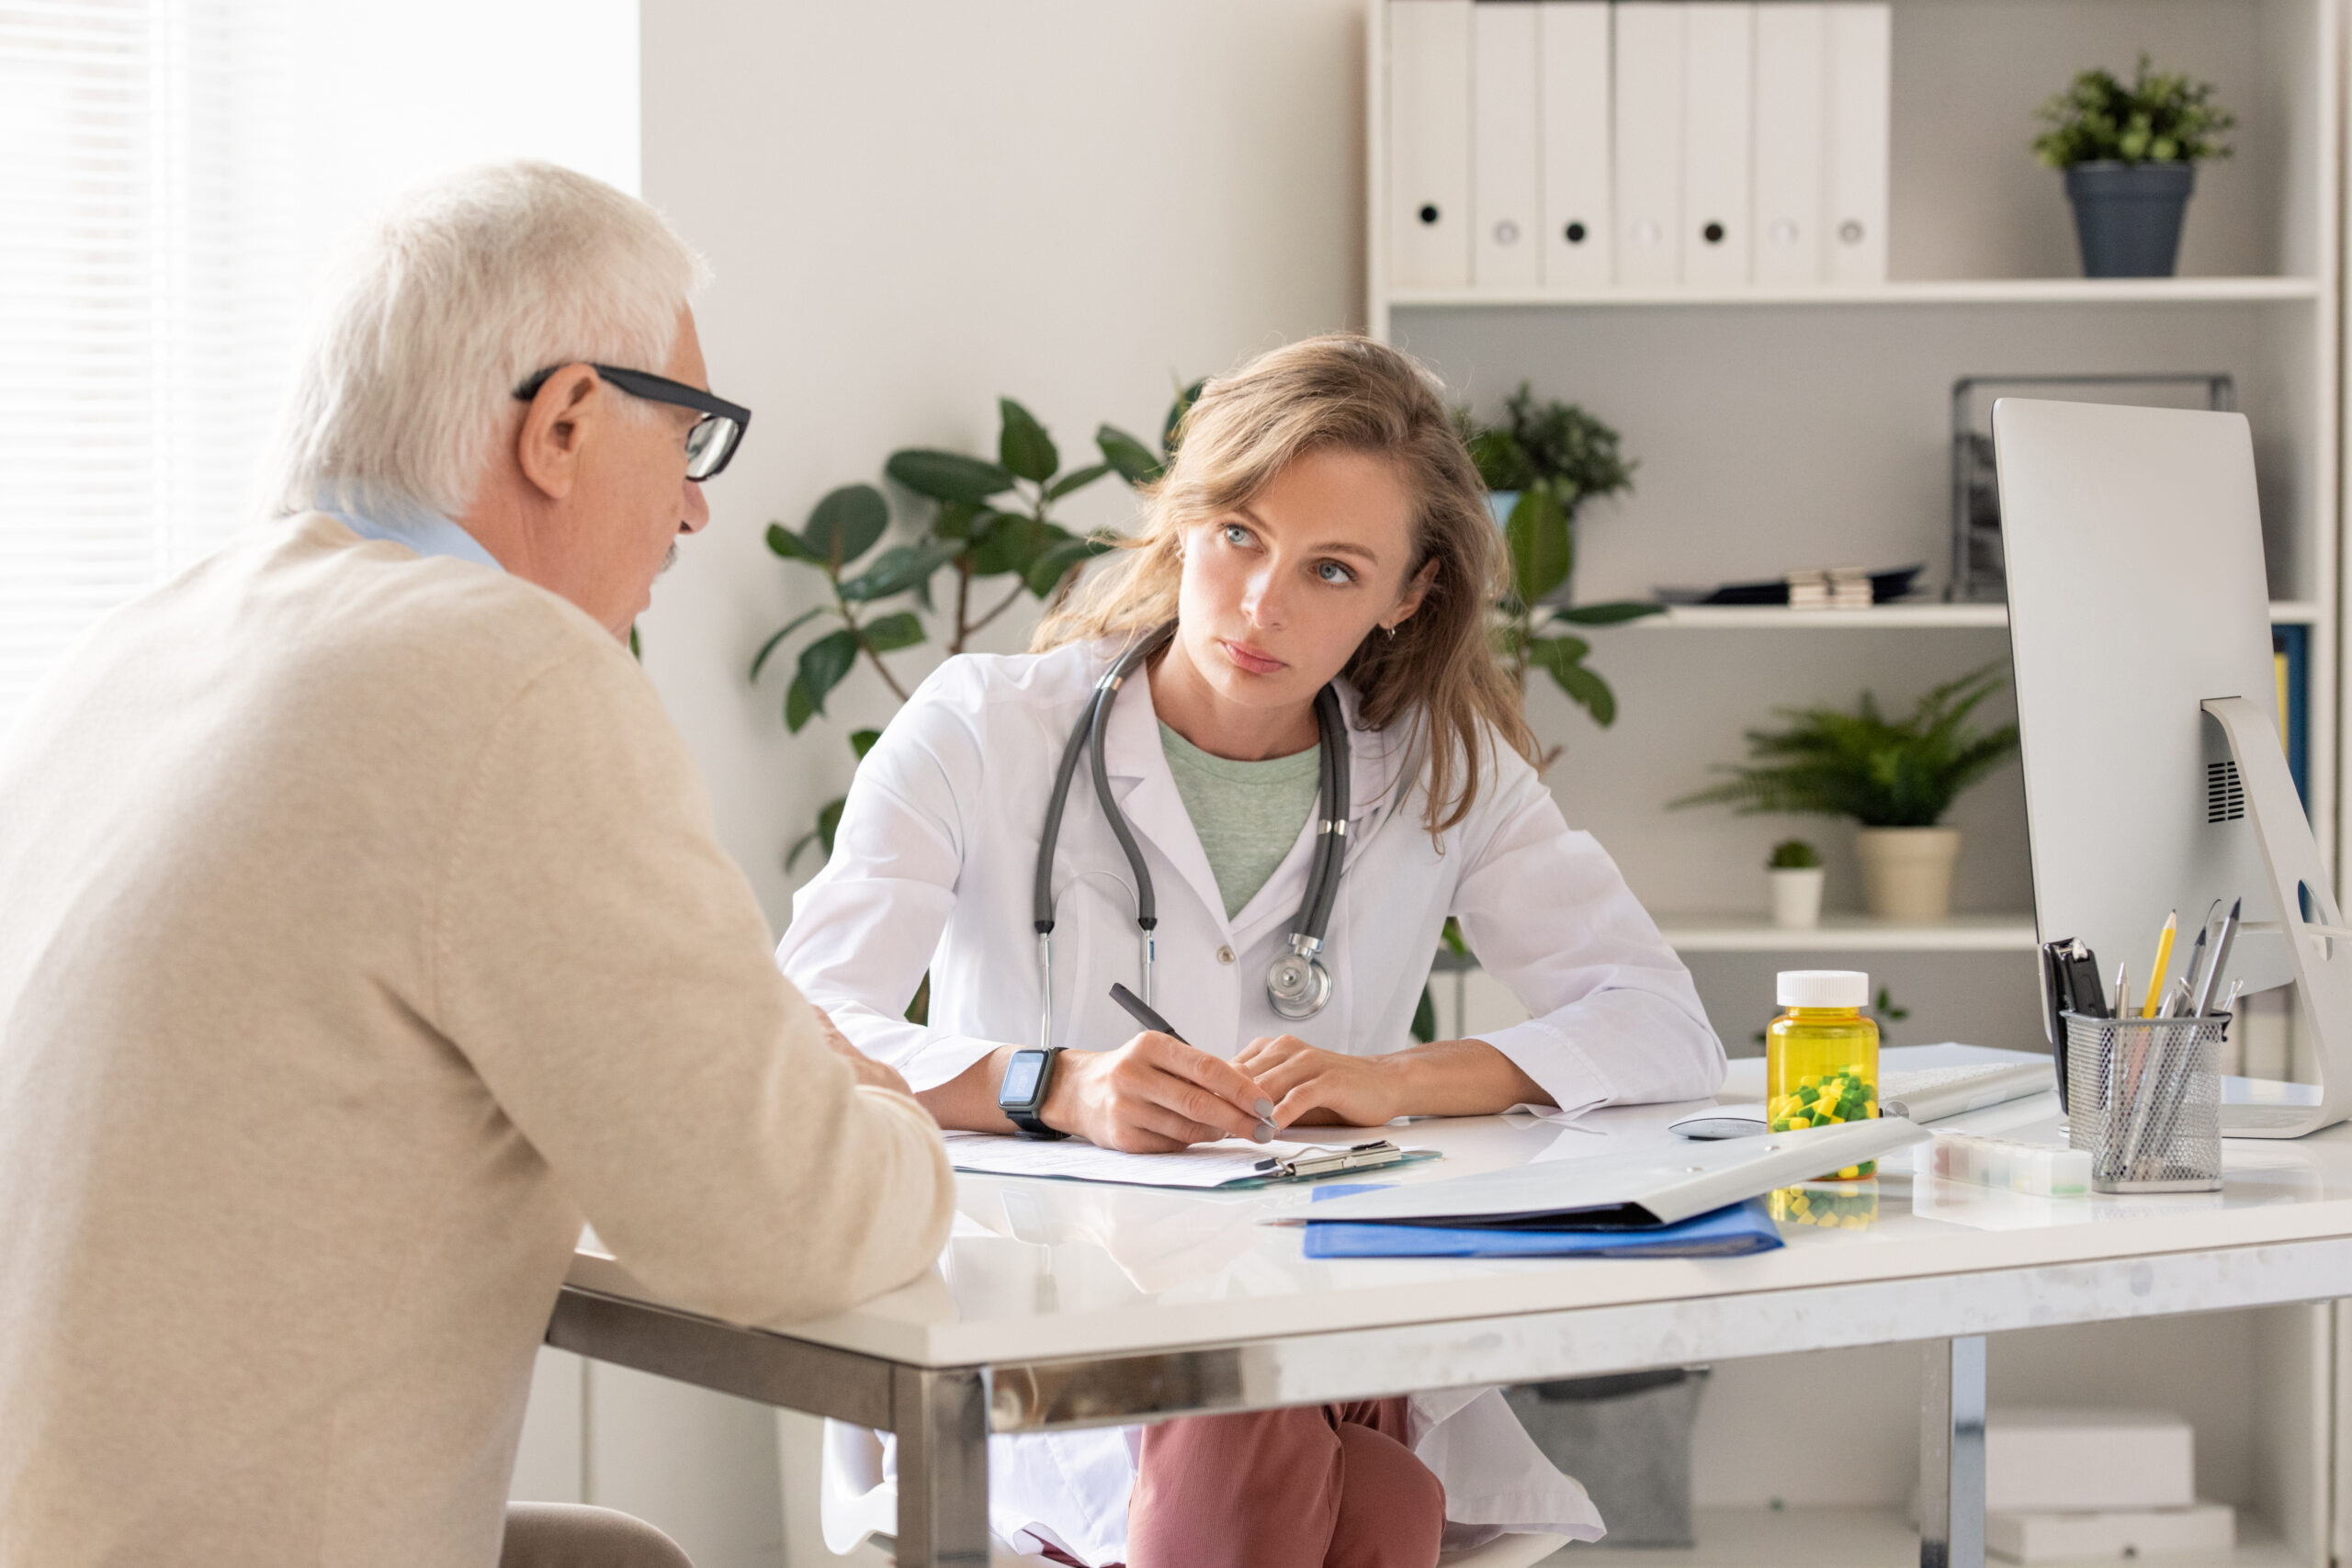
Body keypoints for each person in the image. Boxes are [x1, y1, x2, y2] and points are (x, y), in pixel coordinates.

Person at [0, 161, 955, 1568]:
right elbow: (784, 1227)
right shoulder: (506, 675)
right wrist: (885, 1108)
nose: (695, 512)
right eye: (688, 439)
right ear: (565, 421)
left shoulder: (142, 640)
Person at [777, 333, 1726, 1568]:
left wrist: (1402, 1079)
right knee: (1364, 1493)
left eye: (1332, 570)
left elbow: (1659, 1020)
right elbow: (796, 1037)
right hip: (1057, 1325)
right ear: (1182, 522)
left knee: (1299, 1415)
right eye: (1237, 535)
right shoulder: (980, 730)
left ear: (1409, 595)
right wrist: (1052, 1084)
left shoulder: (1440, 773)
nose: (1262, 604)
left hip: (1319, 1305)